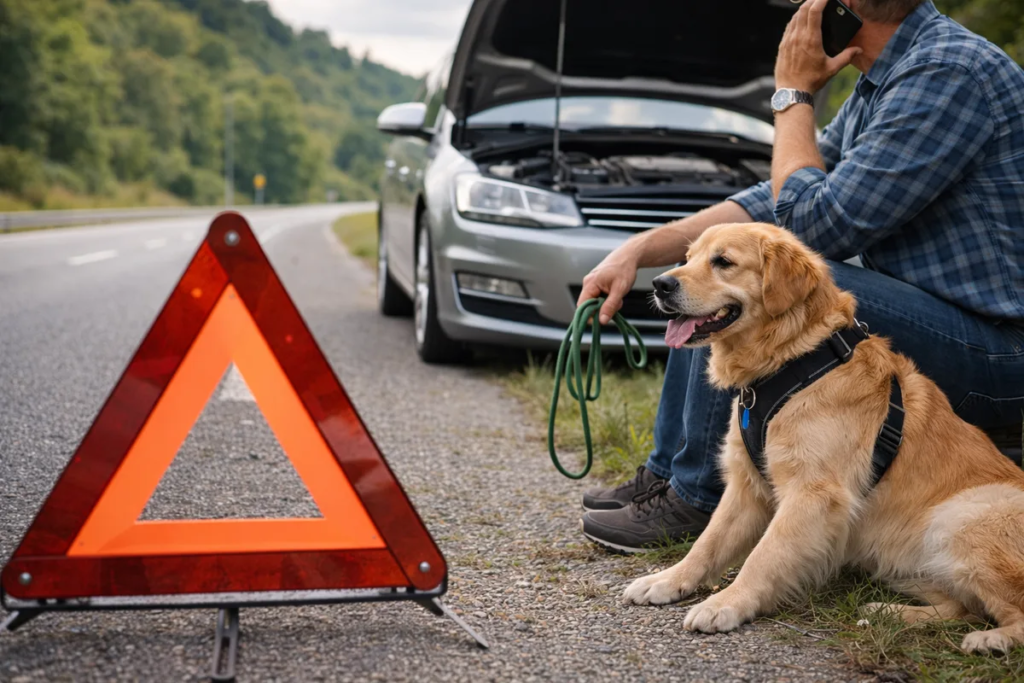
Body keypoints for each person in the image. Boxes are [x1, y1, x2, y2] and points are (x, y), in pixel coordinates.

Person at [577, 0, 1024, 553]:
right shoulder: (884, 82)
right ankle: (670, 473)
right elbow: (776, 199)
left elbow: (818, 224)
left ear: (846, 7)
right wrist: (641, 248)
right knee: (704, 277)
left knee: (783, 282)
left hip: (1000, 354)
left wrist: (792, 95)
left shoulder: (947, 73)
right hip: (945, 321)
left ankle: (698, 497)